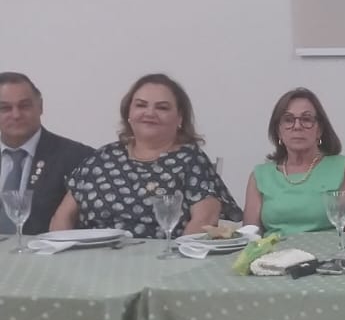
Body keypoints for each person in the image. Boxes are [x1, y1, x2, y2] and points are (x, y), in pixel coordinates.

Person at [51, 73, 240, 237]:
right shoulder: (102, 157)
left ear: (180, 117)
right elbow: (62, 216)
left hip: (161, 261)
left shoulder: (191, 160)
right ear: (129, 113)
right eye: (141, 105)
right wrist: (61, 254)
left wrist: (178, 259)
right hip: (91, 260)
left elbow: (205, 219)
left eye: (162, 108)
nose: (150, 113)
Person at [241, 88, 345, 234]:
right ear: (278, 131)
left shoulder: (344, 168)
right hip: (274, 249)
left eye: (306, 119)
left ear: (319, 130)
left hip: (329, 248)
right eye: (288, 120)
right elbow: (251, 235)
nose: (297, 126)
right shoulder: (260, 175)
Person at [0, 72, 93, 235]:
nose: (16, 115)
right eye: (5, 108)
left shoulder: (79, 158)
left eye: (25, 106)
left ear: (40, 106)